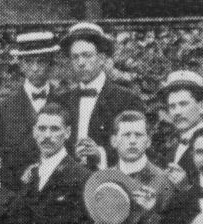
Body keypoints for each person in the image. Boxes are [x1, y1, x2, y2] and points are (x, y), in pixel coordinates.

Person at [56, 22, 145, 169]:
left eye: (87, 56)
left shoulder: (126, 100)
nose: (81, 63)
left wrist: (100, 154)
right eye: (75, 57)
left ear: (102, 58)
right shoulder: (62, 101)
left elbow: (136, 146)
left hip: (109, 180)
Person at [15, 105, 91, 224]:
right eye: (42, 128)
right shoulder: (29, 175)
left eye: (54, 129)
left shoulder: (81, 177)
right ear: (34, 132)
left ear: (67, 133)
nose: (47, 135)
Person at [0, 30, 58, 186]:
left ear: (50, 63)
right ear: (21, 65)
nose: (35, 68)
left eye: (41, 61)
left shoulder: (66, 103)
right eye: (29, 62)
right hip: (17, 195)